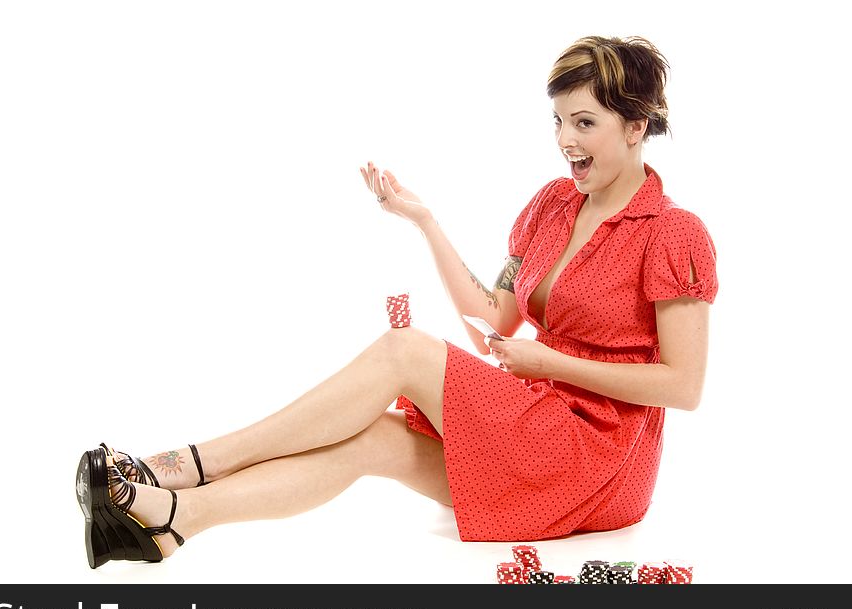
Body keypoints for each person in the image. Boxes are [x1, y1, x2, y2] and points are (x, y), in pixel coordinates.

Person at [76, 35, 718, 569]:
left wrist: (552, 366)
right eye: (558, 120)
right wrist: (426, 223)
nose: (564, 140)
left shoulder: (673, 233)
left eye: (585, 123)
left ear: (637, 127)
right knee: (372, 442)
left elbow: (683, 387)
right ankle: (177, 522)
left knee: (404, 352)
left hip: (599, 458)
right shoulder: (551, 205)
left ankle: (186, 465)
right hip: (536, 419)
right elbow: (494, 316)